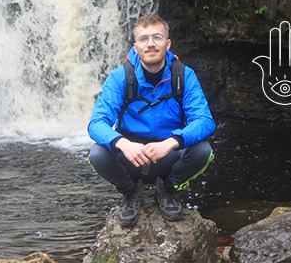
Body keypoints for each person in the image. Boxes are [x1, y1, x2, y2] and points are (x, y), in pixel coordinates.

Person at [87, 14, 215, 227]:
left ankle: (167, 188)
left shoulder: (184, 76)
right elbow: (96, 123)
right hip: (131, 157)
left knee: (203, 150)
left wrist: (172, 142)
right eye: (144, 39)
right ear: (135, 47)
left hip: (168, 154)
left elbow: (204, 120)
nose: (151, 44)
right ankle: (129, 191)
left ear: (168, 43)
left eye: (157, 37)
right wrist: (123, 144)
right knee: (97, 153)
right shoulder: (120, 77)